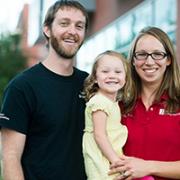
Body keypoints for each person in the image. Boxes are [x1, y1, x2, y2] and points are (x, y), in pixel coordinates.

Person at [0, 1, 89, 179]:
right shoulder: (22, 87)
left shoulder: (89, 83)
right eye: (64, 23)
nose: (72, 31)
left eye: (79, 26)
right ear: (47, 29)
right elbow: (10, 157)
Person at [109, 26, 180, 179]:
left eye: (157, 54)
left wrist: (148, 167)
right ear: (133, 60)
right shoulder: (118, 105)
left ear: (168, 60)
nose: (149, 61)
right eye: (141, 54)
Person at [82, 50, 134, 179]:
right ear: (95, 78)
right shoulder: (99, 102)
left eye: (118, 72)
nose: (112, 76)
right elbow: (99, 135)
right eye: (105, 71)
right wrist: (116, 161)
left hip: (109, 153)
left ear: (125, 78)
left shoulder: (112, 102)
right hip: (100, 156)